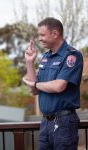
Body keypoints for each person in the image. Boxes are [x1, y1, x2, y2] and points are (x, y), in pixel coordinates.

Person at [23, 17, 83, 149]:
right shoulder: (46, 57)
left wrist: (34, 85)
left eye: (42, 34)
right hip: (45, 122)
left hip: (64, 123)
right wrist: (29, 62)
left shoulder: (72, 55)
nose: (39, 38)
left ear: (55, 34)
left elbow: (59, 86)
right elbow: (34, 90)